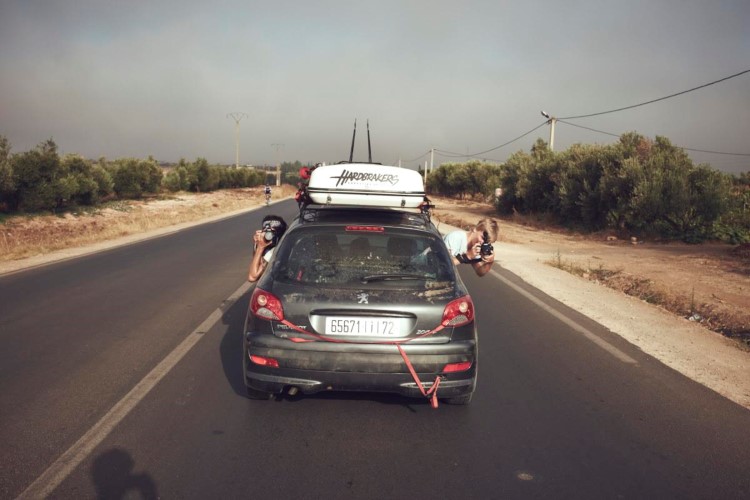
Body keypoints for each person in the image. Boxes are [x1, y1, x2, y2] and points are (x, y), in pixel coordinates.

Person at [248, 214, 287, 282]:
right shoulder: (265, 245)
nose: (269, 235)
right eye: (266, 231)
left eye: (273, 232)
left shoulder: (280, 249)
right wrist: (257, 244)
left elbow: (252, 277)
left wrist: (260, 248)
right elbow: (258, 265)